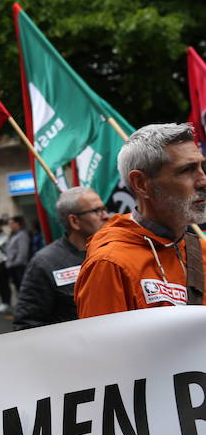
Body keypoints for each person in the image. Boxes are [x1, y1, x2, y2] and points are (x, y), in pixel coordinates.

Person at [76, 123, 206, 316]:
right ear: (141, 184)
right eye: (186, 170)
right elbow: (102, 345)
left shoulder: (200, 249)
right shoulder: (110, 264)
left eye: (202, 167)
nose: (203, 180)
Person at [14, 187, 110, 330]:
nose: (106, 216)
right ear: (74, 221)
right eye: (96, 211)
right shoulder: (45, 262)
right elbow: (27, 324)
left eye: (104, 208)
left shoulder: (114, 251)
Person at [4, 216, 30, 295]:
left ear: (17, 224)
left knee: (22, 288)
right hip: (13, 266)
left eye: (11, 223)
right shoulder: (13, 234)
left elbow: (23, 252)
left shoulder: (22, 235)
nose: (10, 226)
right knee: (18, 288)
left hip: (19, 267)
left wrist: (14, 263)